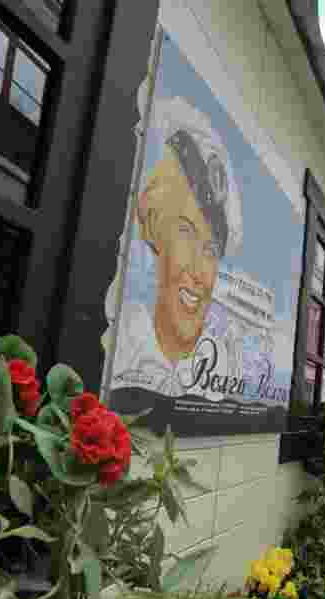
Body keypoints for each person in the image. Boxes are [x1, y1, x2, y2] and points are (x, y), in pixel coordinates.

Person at [102, 96, 243, 399]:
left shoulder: (222, 365)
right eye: (186, 234)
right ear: (154, 227)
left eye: (211, 250)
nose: (198, 272)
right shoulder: (120, 340)